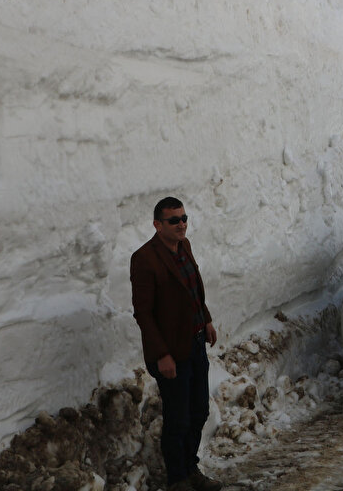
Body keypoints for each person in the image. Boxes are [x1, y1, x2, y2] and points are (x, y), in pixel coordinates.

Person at [130, 197, 222, 491]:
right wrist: (162, 355)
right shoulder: (144, 259)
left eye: (184, 218)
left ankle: (190, 468)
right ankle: (177, 479)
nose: (181, 224)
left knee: (199, 412)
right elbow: (143, 313)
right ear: (157, 225)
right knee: (178, 418)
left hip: (195, 343)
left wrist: (206, 319)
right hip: (171, 353)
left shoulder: (185, 246)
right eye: (174, 220)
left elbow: (192, 291)